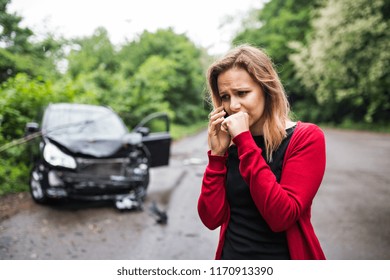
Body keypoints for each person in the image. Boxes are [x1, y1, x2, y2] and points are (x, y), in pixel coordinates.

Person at [197, 45, 326, 260]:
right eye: (225, 97)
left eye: (242, 93)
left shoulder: (306, 138)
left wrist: (245, 142)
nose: (233, 105)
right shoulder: (230, 144)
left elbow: (281, 217)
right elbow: (211, 218)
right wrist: (217, 157)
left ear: (267, 90)